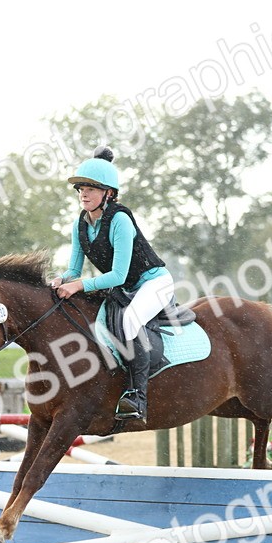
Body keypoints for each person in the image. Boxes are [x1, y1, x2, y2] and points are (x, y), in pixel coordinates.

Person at [50, 146, 175, 424]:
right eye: (81, 188)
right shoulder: (79, 224)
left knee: (130, 321)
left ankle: (138, 396)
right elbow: (73, 269)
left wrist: (80, 286)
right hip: (125, 289)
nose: (84, 193)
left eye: (91, 189)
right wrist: (61, 279)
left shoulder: (120, 219)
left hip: (154, 283)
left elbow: (118, 275)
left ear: (109, 193)